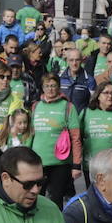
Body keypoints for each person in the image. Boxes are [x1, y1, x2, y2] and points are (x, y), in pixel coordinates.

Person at [30, 73, 82, 207]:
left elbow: (76, 137)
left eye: (53, 86)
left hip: (60, 163)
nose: (50, 89)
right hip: (38, 162)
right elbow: (30, 134)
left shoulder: (68, 107)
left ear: (59, 87)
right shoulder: (36, 106)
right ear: (42, 87)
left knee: (56, 199)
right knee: (35, 198)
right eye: (47, 86)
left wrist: (76, 165)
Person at [58, 44, 94, 113]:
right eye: (71, 60)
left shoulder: (90, 80)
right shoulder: (59, 78)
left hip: (80, 120)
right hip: (62, 118)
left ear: (81, 60)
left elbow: (92, 104)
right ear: (67, 61)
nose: (74, 63)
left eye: (77, 60)